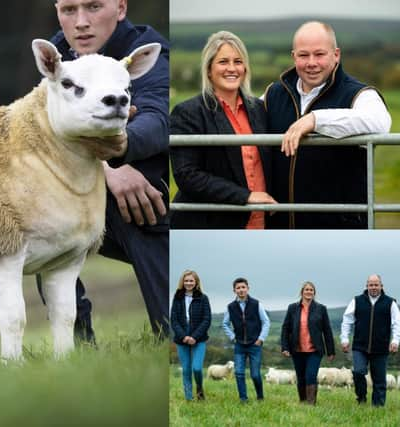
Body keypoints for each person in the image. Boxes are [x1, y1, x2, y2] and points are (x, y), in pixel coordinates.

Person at [37, 0, 170, 341]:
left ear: (121, 8)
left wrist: (121, 150)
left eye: (93, 7)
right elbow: (42, 130)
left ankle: (168, 336)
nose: (81, 22)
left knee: (141, 207)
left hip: (147, 207)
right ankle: (76, 349)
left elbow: (159, 118)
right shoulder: (57, 58)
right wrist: (108, 166)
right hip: (77, 199)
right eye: (69, 10)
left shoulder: (146, 52)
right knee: (39, 220)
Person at [265, 21, 391, 229]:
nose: (311, 62)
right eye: (303, 55)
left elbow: (380, 122)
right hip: (281, 227)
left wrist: (316, 120)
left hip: (340, 230)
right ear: (293, 56)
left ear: (336, 55)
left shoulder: (360, 93)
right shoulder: (273, 94)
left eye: (320, 54)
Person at [170, 30, 276, 229]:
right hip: (211, 224)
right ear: (209, 69)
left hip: (261, 222)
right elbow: (187, 176)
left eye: (238, 61)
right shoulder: (187, 112)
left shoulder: (260, 110)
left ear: (245, 68)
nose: (232, 68)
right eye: (223, 62)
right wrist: (246, 197)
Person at [340, 274, 400, 407]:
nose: (373, 287)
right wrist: (344, 339)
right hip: (360, 346)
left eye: (376, 284)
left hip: (381, 347)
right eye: (371, 285)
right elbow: (347, 320)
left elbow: (397, 324)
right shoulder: (357, 300)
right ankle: (361, 397)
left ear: (381, 286)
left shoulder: (390, 302)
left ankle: (377, 406)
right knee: (358, 372)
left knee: (379, 379)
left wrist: (395, 341)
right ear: (367, 286)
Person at [280, 281, 335, 405]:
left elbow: (327, 330)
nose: (309, 292)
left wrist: (330, 351)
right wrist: (285, 347)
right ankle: (303, 401)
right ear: (302, 292)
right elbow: (285, 328)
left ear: (314, 293)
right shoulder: (293, 308)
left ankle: (311, 404)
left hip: (314, 350)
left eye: (311, 290)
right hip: (297, 350)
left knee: (310, 376)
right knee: (301, 377)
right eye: (306, 289)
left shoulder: (321, 309)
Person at [222, 277, 270, 402]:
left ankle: (260, 397)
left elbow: (266, 322)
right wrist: (233, 337)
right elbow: (225, 324)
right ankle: (243, 399)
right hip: (239, 345)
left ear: (248, 288)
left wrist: (261, 339)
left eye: (243, 287)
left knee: (255, 374)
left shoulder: (256, 304)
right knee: (239, 373)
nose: (241, 290)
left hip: (255, 344)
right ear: (234, 290)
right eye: (238, 288)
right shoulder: (230, 307)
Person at [171, 270, 211, 401]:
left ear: (196, 282)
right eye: (186, 280)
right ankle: (189, 398)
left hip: (199, 337)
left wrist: (194, 336)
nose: (188, 283)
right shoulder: (177, 298)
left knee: (197, 368)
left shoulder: (203, 298)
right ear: (182, 282)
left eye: (191, 280)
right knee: (186, 369)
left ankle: (199, 389)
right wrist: (183, 336)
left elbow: (207, 319)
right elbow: (174, 320)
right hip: (181, 337)